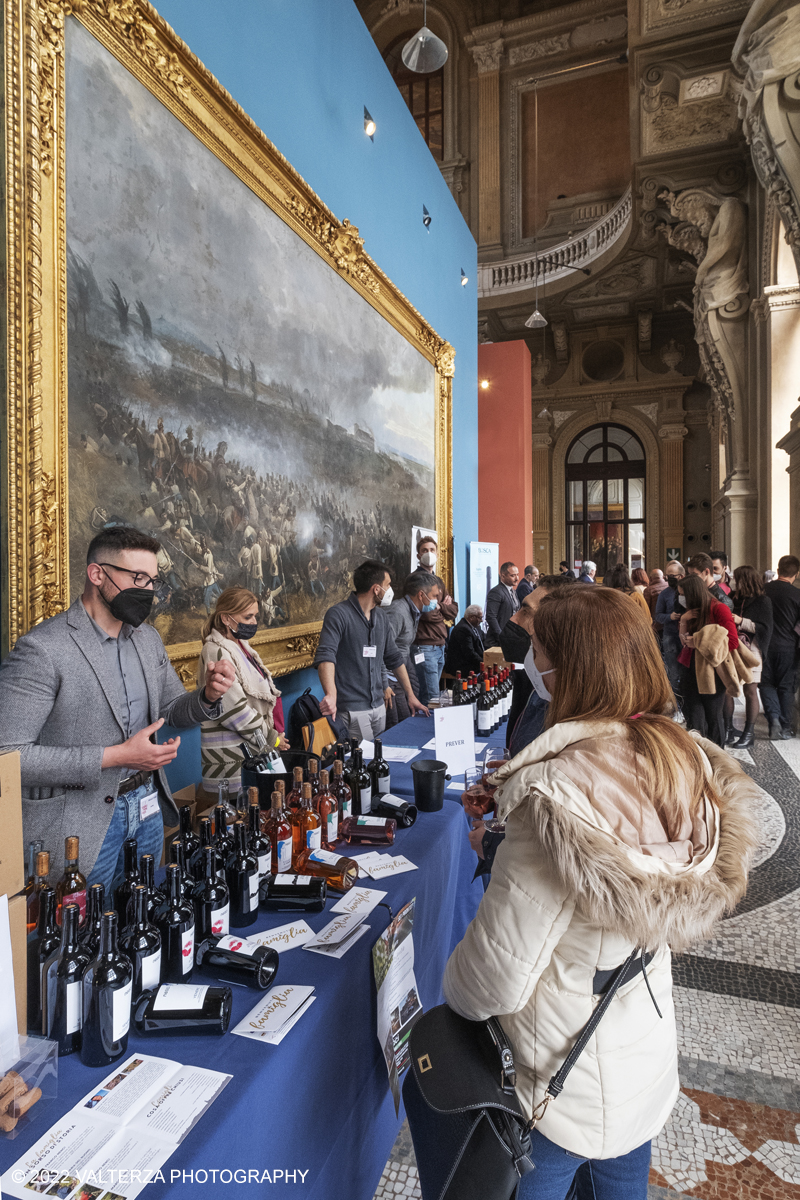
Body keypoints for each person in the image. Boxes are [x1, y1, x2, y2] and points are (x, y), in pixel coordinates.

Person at [443, 585, 755, 1199]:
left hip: (561, 1084)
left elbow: (495, 978)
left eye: (536, 649)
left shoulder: (555, 800)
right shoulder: (680, 755)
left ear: (570, 669)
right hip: (640, 1054)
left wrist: (449, 988)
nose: (527, 659)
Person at [0, 526, 234, 892]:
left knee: (138, 918)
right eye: (138, 577)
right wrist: (114, 756)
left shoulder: (147, 638)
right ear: (97, 574)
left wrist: (207, 695)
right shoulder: (42, 650)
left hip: (148, 804)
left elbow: (172, 709)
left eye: (153, 580)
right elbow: (8, 755)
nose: (149, 591)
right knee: (80, 940)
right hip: (80, 823)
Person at [314, 559, 429, 740]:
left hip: (378, 705)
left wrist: (410, 694)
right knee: (363, 762)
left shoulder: (381, 617)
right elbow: (325, 655)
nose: (390, 590)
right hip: (353, 709)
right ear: (376, 589)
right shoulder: (338, 614)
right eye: (388, 585)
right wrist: (331, 693)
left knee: (377, 759)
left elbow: (393, 657)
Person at [197, 587, 289, 793]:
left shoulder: (240, 645)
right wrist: (272, 738)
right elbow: (235, 711)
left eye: (255, 616)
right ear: (226, 619)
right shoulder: (216, 650)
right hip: (231, 763)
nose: (254, 622)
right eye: (248, 617)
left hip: (251, 753)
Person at [677, 573, 740, 746]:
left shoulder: (719, 608)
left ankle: (717, 755)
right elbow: (684, 640)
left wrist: (699, 642)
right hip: (689, 666)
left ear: (693, 593)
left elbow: (732, 641)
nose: (680, 598)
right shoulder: (691, 611)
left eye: (683, 594)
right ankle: (699, 755)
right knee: (694, 716)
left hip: (711, 670)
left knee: (713, 716)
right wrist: (683, 620)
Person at [723, 565, 773, 748]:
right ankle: (728, 729)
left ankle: (748, 733)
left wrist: (741, 621)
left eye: (736, 578)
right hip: (732, 648)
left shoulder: (763, 601)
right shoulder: (732, 598)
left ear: (746, 579)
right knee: (728, 689)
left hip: (752, 649)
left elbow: (765, 628)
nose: (733, 580)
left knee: (750, 691)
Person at [385, 570, 439, 726]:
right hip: (390, 678)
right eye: (434, 596)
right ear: (421, 595)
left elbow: (403, 647)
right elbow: (382, 648)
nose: (436, 601)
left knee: (408, 716)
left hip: (401, 672)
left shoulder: (415, 612)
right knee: (398, 723)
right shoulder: (397, 612)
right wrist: (384, 683)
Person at [410, 535, 459, 704]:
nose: (428, 553)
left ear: (437, 554)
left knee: (433, 696)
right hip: (424, 646)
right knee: (431, 698)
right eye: (424, 550)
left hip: (439, 646)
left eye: (432, 550)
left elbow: (454, 610)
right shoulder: (416, 580)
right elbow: (427, 613)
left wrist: (440, 606)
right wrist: (439, 608)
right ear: (418, 555)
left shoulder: (438, 581)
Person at [761, 554, 800, 740]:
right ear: (797, 574)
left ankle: (773, 719)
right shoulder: (797, 595)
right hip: (789, 647)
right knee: (786, 687)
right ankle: (785, 727)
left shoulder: (763, 590)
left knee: (766, 684)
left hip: (765, 645)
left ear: (778, 571)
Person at [654, 562, 686, 701]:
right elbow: (657, 615)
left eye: (672, 576)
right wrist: (670, 616)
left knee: (686, 672)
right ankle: (675, 704)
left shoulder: (689, 592)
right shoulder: (664, 594)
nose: (669, 578)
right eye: (667, 576)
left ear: (681, 575)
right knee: (673, 672)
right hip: (670, 635)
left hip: (687, 636)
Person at [444, 605, 485, 678]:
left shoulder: (475, 626)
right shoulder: (463, 629)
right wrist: (484, 663)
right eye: (480, 618)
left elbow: (484, 640)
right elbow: (469, 653)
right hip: (461, 666)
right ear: (471, 617)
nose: (482, 620)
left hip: (471, 662)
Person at [485, 562, 520, 646]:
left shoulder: (513, 592)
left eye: (517, 575)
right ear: (503, 576)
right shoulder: (496, 592)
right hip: (498, 643)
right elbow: (491, 617)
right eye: (513, 575)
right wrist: (502, 637)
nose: (517, 578)